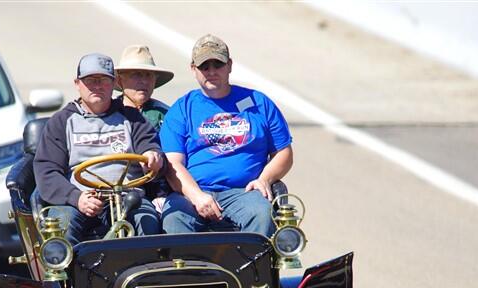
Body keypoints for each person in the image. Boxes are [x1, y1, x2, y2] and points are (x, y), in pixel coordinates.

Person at [159, 34, 293, 237]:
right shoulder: (182, 108)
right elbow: (172, 165)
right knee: (174, 218)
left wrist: (264, 179)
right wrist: (197, 196)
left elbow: (284, 153)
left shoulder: (259, 102)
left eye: (218, 65)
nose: (211, 72)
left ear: (229, 65)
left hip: (244, 192)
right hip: (194, 192)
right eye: (205, 66)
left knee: (261, 213)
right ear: (193, 69)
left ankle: (253, 269)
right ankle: (187, 269)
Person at [32, 53, 164, 245]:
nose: (97, 86)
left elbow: (148, 143)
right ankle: (64, 274)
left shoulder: (132, 117)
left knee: (148, 222)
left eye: (103, 80)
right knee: (60, 229)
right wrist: (76, 198)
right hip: (79, 198)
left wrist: (151, 155)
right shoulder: (61, 121)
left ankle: (146, 273)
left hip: (128, 196)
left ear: (114, 83)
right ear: (77, 84)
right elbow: (47, 171)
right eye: (90, 81)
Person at [114, 45, 174, 208]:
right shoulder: (107, 114)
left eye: (148, 75)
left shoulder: (168, 115)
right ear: (119, 80)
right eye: (136, 75)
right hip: (116, 191)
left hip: (162, 193)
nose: (144, 81)